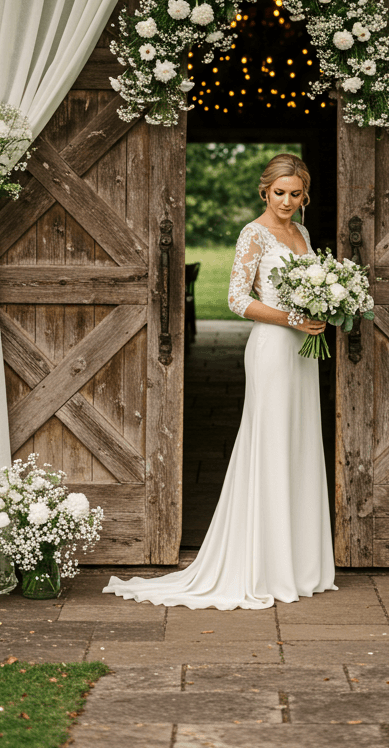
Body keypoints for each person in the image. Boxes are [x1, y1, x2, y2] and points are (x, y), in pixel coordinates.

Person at [103, 153, 337, 609]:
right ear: (263, 191)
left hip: (302, 354)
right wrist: (293, 317)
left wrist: (322, 308)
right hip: (271, 348)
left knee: (301, 442)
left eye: (295, 194)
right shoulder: (254, 234)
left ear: (304, 195)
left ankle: (301, 563)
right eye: (279, 193)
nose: (287, 201)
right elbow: (235, 298)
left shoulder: (303, 232)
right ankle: (263, 565)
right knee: (270, 445)